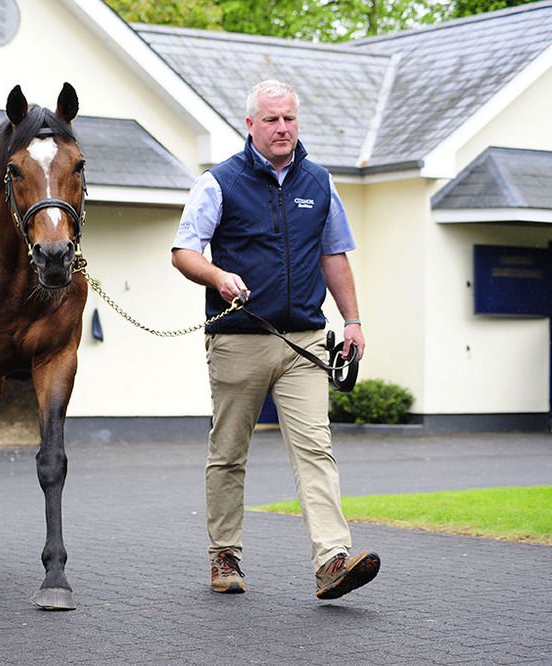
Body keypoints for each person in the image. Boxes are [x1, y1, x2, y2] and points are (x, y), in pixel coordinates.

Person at [171, 79, 380, 600]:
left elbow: (335, 255)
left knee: (316, 449)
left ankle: (332, 560)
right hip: (239, 339)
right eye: (271, 119)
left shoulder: (320, 183)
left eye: (289, 118)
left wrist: (352, 321)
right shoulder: (218, 182)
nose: (282, 127)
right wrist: (218, 277)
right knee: (229, 452)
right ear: (250, 124)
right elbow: (183, 250)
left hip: (305, 342)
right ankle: (225, 555)